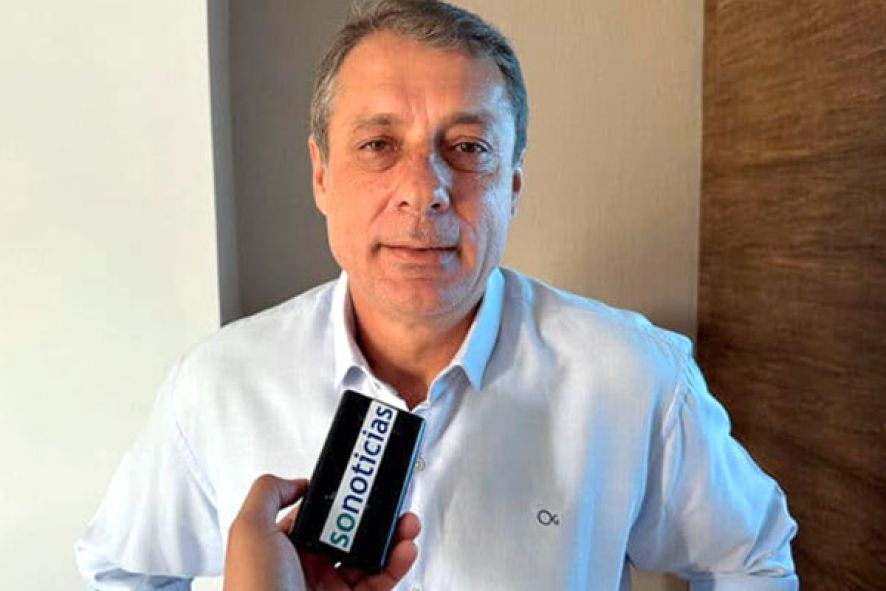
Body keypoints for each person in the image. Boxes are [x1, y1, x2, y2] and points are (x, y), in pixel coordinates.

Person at [76, 1, 799, 589]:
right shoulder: (215, 387)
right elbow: (121, 573)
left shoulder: (636, 376)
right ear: (321, 175)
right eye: (378, 145)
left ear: (513, 182)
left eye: (468, 148)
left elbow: (749, 558)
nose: (424, 191)